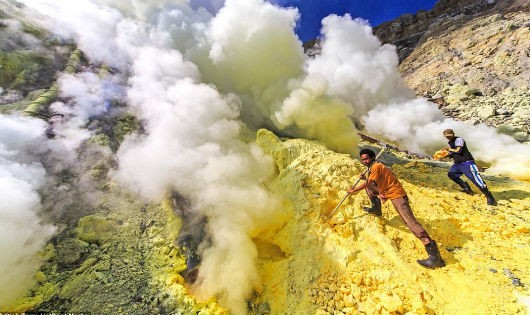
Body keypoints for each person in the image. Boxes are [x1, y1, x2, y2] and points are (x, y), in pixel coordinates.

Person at [348, 148, 445, 269]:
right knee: (369, 188)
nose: (364, 161)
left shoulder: (377, 166)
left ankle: (434, 257)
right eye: (362, 160)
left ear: (372, 157)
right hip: (386, 191)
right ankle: (376, 208)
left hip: (397, 195)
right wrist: (365, 179)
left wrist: (354, 190)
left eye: (366, 159)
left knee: (410, 222)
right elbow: (371, 183)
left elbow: (368, 183)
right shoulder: (373, 167)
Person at [441, 129, 497, 206]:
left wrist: (448, 149)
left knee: (476, 180)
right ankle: (466, 188)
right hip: (458, 164)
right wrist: (447, 155)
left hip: (467, 163)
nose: (448, 138)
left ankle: (489, 197)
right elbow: (454, 152)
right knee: (452, 174)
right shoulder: (450, 142)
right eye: (446, 136)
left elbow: (458, 150)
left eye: (449, 136)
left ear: (453, 134)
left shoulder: (459, 140)